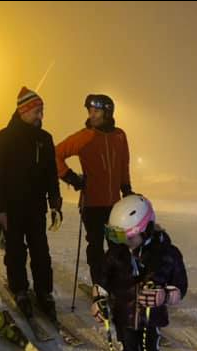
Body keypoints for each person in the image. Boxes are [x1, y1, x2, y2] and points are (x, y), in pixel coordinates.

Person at [90, 194, 187, 351]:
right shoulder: (117, 254)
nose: (123, 242)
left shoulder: (168, 254)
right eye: (118, 237)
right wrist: (98, 298)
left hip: (151, 320)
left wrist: (166, 295)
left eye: (127, 236)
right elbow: (102, 277)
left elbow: (180, 287)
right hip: (125, 318)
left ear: (145, 229)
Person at [0, 86, 62, 320]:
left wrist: (55, 204)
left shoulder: (45, 139)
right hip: (11, 208)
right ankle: (19, 289)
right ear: (23, 111)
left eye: (42, 110)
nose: (41, 115)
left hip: (36, 207)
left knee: (41, 251)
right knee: (16, 251)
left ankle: (44, 292)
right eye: (36, 111)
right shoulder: (4, 138)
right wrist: (0, 210)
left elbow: (51, 174)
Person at [56, 94, 133, 288]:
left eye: (96, 111)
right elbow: (55, 155)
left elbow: (124, 164)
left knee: (119, 248)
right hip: (92, 206)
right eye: (90, 111)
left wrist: (127, 189)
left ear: (107, 112)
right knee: (96, 248)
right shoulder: (85, 136)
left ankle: (118, 285)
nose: (92, 115)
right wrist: (71, 177)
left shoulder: (119, 136)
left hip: (115, 208)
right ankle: (100, 286)